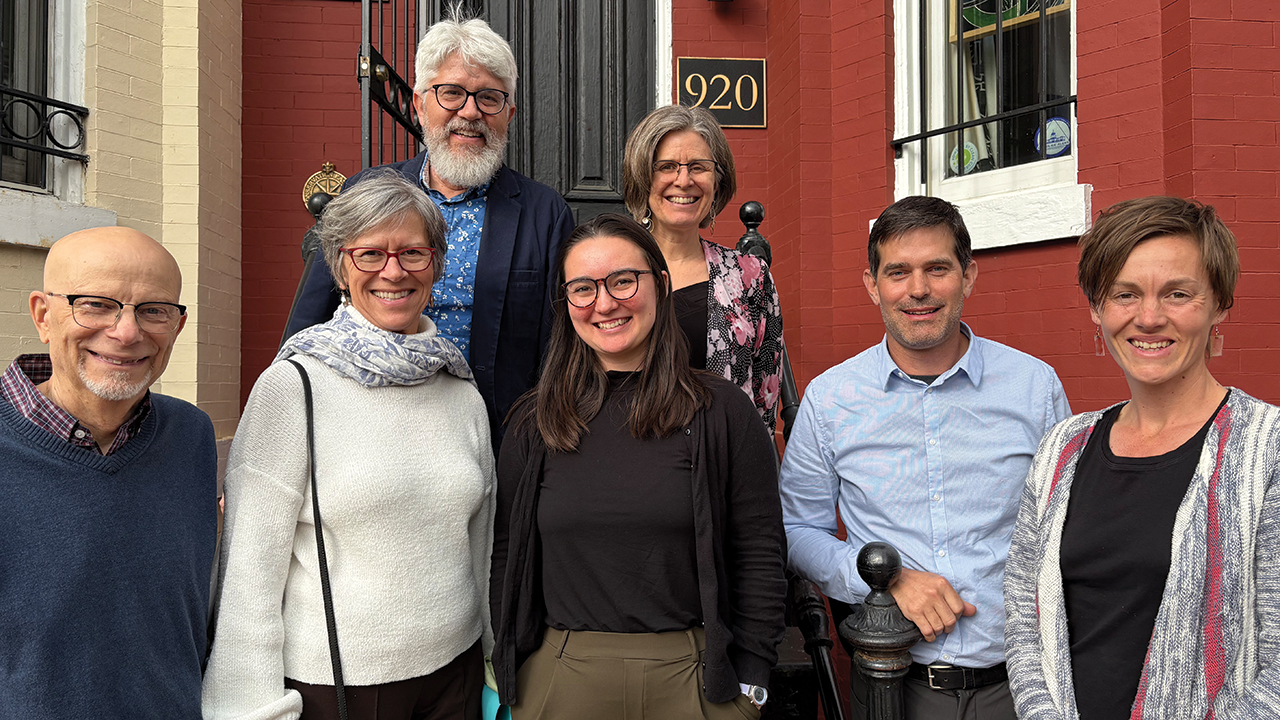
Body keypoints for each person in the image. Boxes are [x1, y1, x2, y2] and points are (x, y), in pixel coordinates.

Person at [202, 172, 495, 720]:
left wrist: (490, 653)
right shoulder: (294, 386)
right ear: (339, 266)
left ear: (435, 263)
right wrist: (249, 707)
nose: (394, 271)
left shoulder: (459, 388)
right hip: (342, 687)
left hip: (456, 672)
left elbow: (478, 541)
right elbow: (248, 572)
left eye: (413, 252)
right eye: (370, 254)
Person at [778, 196, 1071, 720]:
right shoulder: (831, 399)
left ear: (969, 275)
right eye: (898, 272)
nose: (918, 289)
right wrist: (884, 577)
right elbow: (798, 529)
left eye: (938, 268)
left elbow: (1065, 527)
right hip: (893, 686)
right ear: (872, 284)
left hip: (1024, 685)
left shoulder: (1034, 386)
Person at [490, 213, 787, 719]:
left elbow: (759, 549)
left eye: (623, 281)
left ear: (661, 284)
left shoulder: (723, 412)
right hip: (562, 678)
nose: (605, 303)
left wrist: (751, 683)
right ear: (565, 306)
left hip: (697, 680)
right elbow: (506, 553)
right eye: (582, 289)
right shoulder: (533, 422)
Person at [1004, 196, 1280, 719]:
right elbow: (1025, 615)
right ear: (1096, 307)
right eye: (1124, 294)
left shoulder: (1267, 450)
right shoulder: (1062, 449)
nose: (1148, 318)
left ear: (1220, 303)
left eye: (1178, 293)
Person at [285, 14, 574, 449]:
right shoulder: (367, 191)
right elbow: (310, 320)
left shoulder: (544, 212)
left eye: (490, 98)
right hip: (363, 432)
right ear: (419, 103)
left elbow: (561, 348)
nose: (470, 112)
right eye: (451, 93)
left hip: (495, 442)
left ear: (509, 114)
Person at [0, 227, 217, 718]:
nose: (126, 332)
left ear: (178, 326)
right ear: (43, 316)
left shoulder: (191, 437)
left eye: (153, 310)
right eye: (95, 304)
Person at [622, 105, 783, 433]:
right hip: (627, 463)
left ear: (717, 180)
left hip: (721, 467)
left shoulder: (749, 276)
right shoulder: (610, 272)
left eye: (698, 167)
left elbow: (765, 396)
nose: (684, 181)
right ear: (643, 176)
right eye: (666, 166)